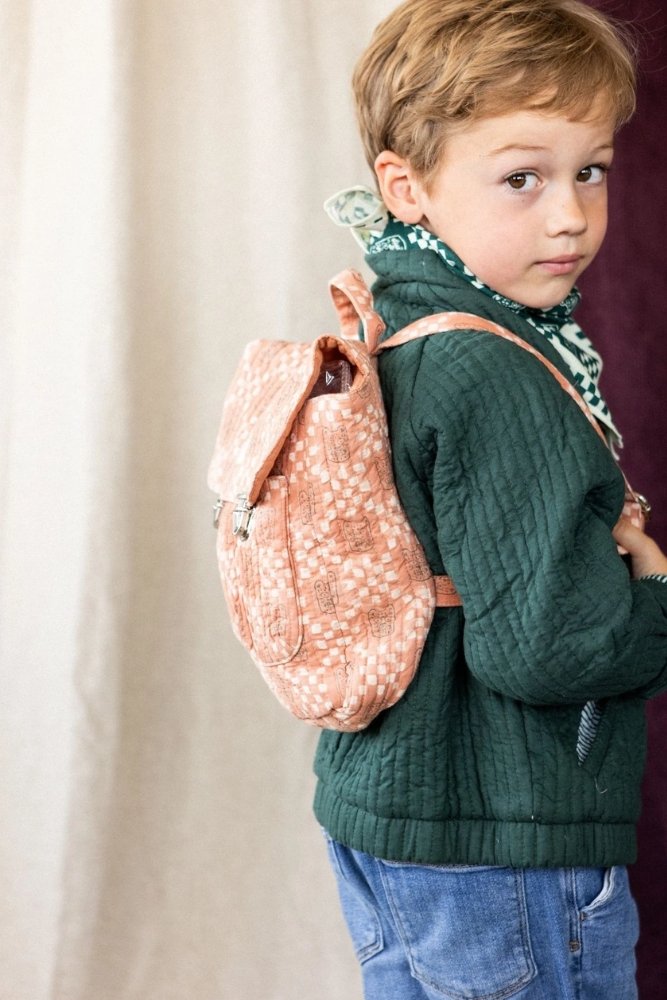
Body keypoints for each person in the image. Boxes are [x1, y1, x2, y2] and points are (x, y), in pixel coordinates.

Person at [314, 1, 667, 997]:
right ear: (406, 186)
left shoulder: (397, 326)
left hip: (389, 808)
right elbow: (548, 648)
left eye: (589, 170)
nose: (569, 215)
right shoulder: (494, 369)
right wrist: (652, 599)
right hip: (502, 837)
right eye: (522, 177)